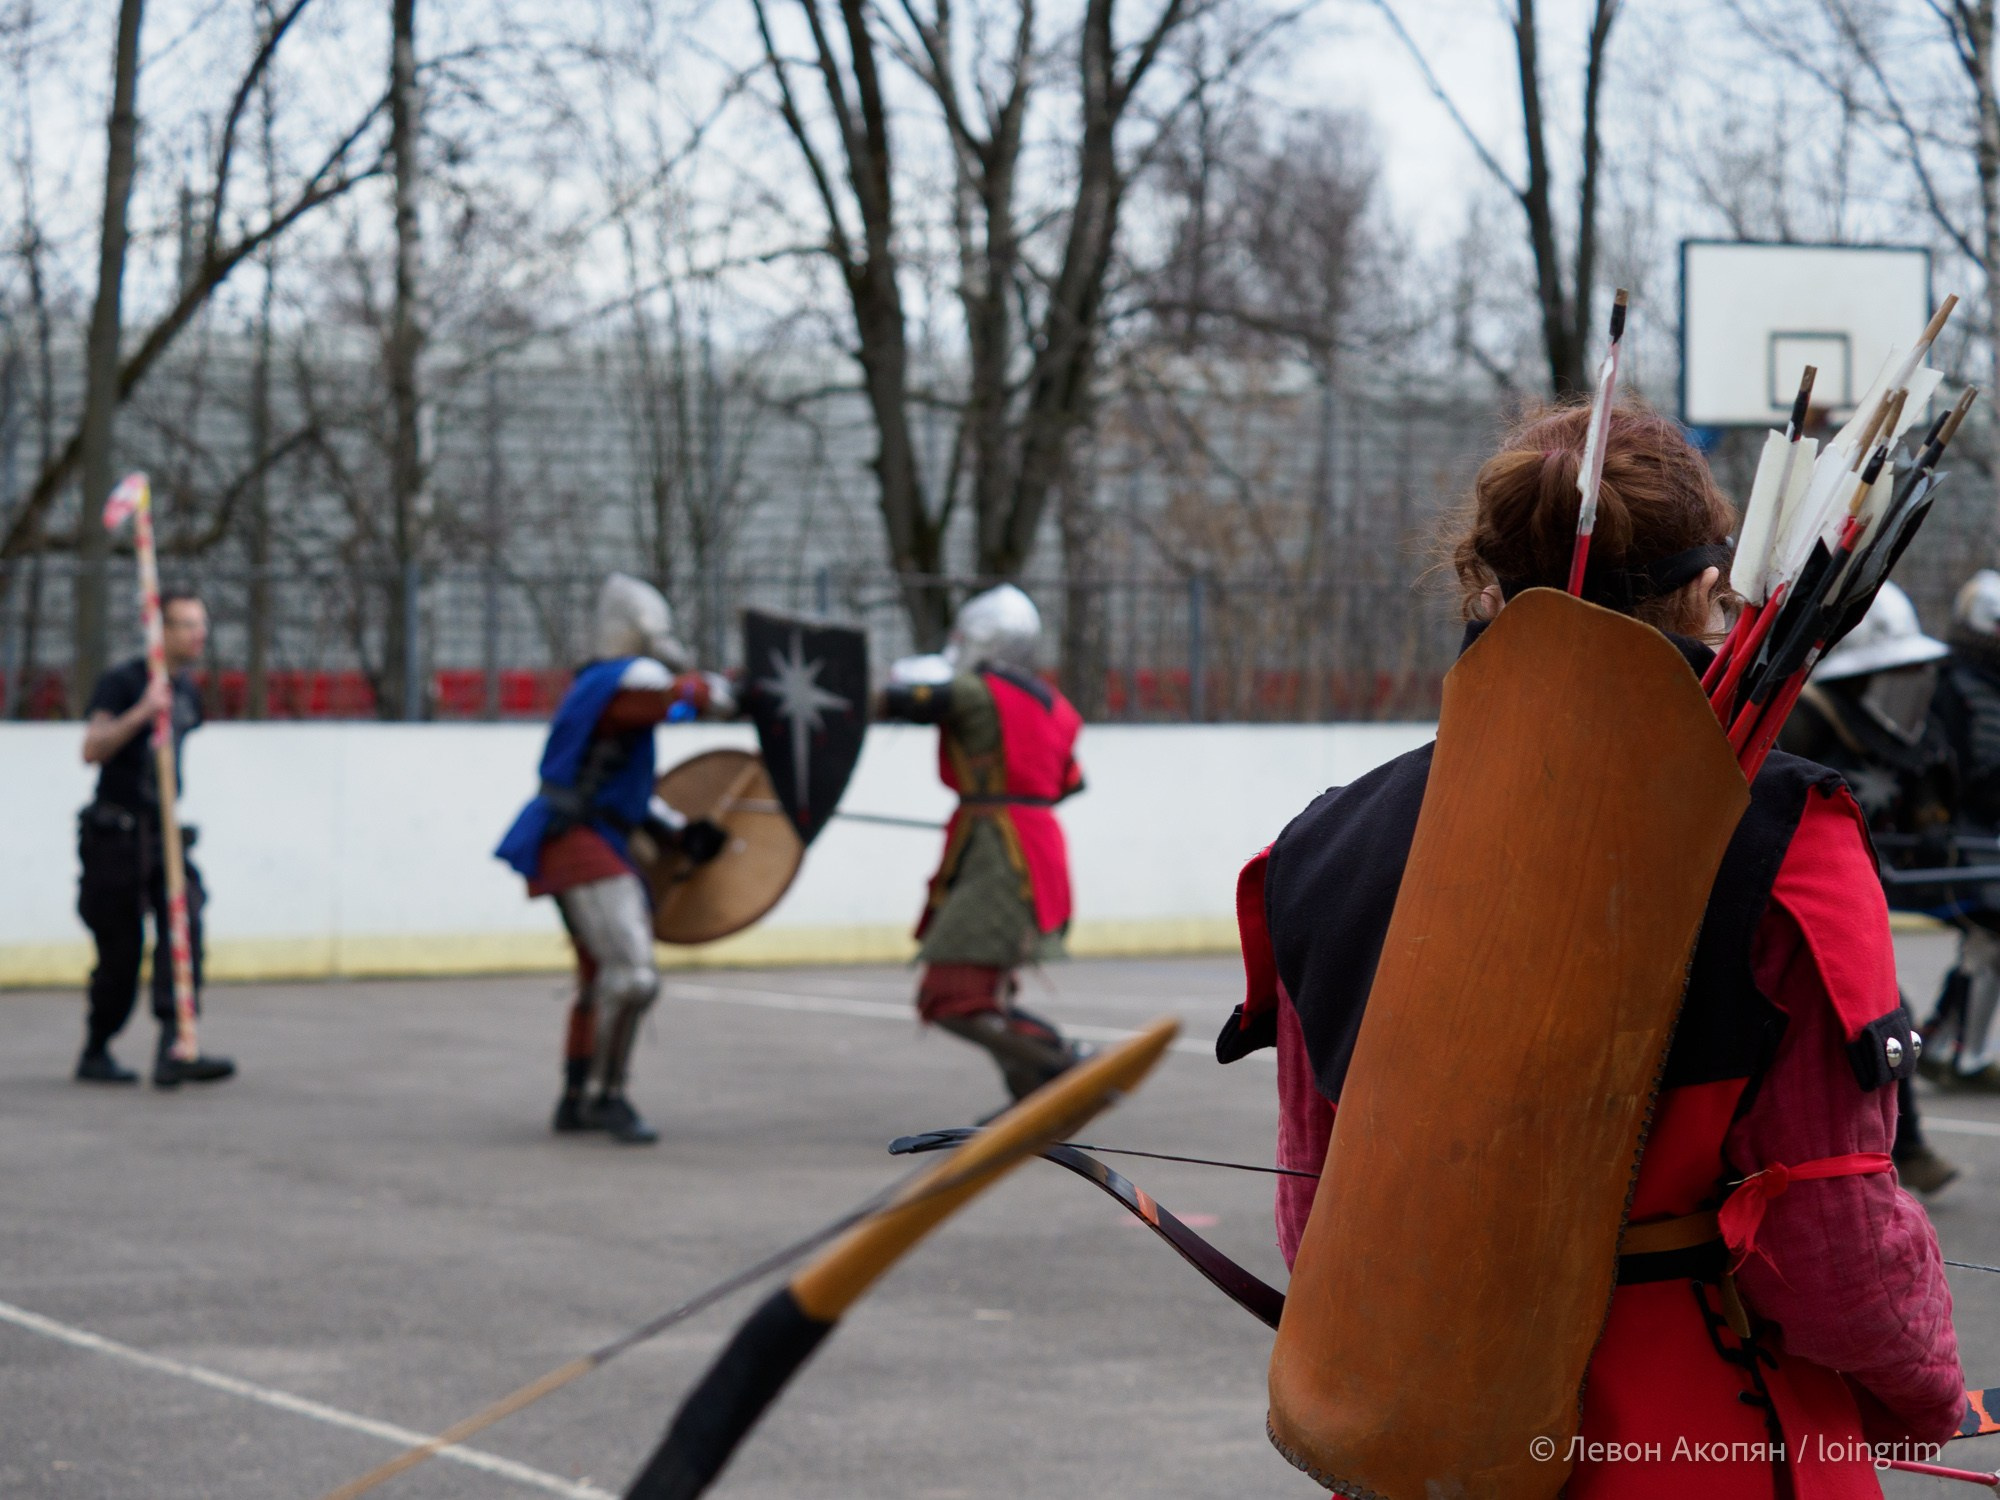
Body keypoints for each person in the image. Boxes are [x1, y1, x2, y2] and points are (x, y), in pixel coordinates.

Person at [1226, 403, 1962, 1496]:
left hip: (1427, 1438)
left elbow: (1315, 1219)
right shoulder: (1784, 835)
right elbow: (1831, 1244)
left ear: (1482, 585)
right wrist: (1932, 1396)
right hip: (1693, 1441)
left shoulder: (1316, 846)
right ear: (1712, 588)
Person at [496, 574, 732, 1144]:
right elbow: (678, 702)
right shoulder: (617, 685)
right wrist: (719, 691)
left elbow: (624, 789)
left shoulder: (600, 692)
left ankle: (575, 1098)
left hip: (587, 831)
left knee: (600, 976)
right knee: (632, 977)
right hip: (576, 838)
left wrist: (678, 832)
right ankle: (606, 1096)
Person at [1774, 584, 1959, 1190]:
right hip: (1807, 896)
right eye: (1893, 671)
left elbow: (1923, 798)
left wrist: (1934, 831)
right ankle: (1897, 1150)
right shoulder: (1805, 720)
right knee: (1882, 1014)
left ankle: (1896, 1149)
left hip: (1861, 892)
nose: (1907, 684)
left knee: (1884, 1016)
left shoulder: (1904, 734)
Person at [879, 585, 1090, 1102]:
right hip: (1034, 847)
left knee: (951, 998)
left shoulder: (977, 691)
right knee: (985, 990)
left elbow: (903, 701)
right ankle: (1030, 1091)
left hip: (1002, 855)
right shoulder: (1057, 706)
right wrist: (1000, 794)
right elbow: (1070, 782)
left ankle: (1061, 1064)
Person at [75, 590, 236, 1089]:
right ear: (159, 631)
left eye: (200, 624)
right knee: (121, 951)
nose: (199, 634)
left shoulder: (186, 689)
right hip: (117, 836)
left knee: (184, 926)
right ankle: (96, 1048)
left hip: (162, 830)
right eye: (186, 624)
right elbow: (92, 748)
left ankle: (175, 1046)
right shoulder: (124, 682)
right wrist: (143, 712)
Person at [1925, 569, 2000, 1089]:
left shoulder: (1987, 683)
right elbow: (1943, 766)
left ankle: (1941, 1041)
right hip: (1955, 834)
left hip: (1982, 830)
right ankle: (1962, 1054)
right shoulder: (1950, 683)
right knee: (1989, 933)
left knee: (1985, 941)